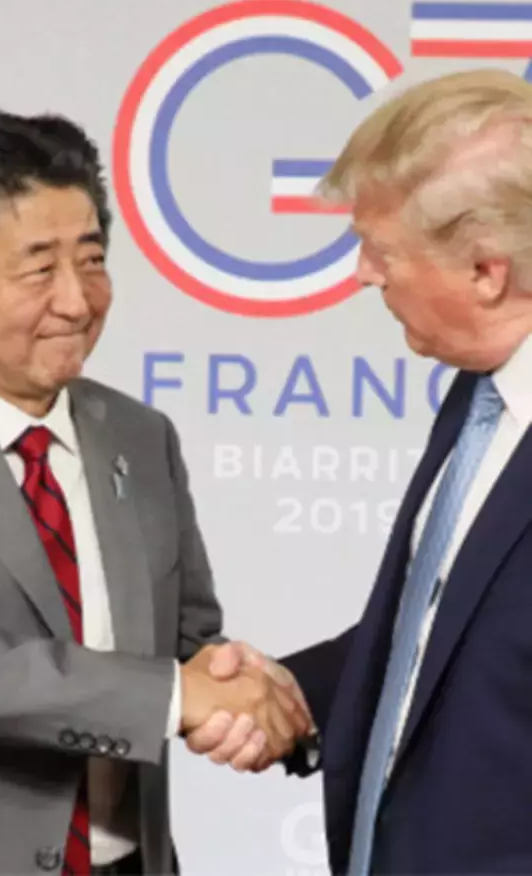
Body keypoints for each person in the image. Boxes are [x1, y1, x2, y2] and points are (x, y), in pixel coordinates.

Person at [0, 111, 312, 876]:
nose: (78, 301)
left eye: (93, 261)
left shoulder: (140, 437)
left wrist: (250, 692)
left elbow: (187, 642)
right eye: (39, 270)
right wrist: (172, 697)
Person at [190, 67, 532, 874]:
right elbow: (446, 639)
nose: (362, 275)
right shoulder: (479, 396)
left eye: (381, 250)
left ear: (487, 272)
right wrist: (292, 694)